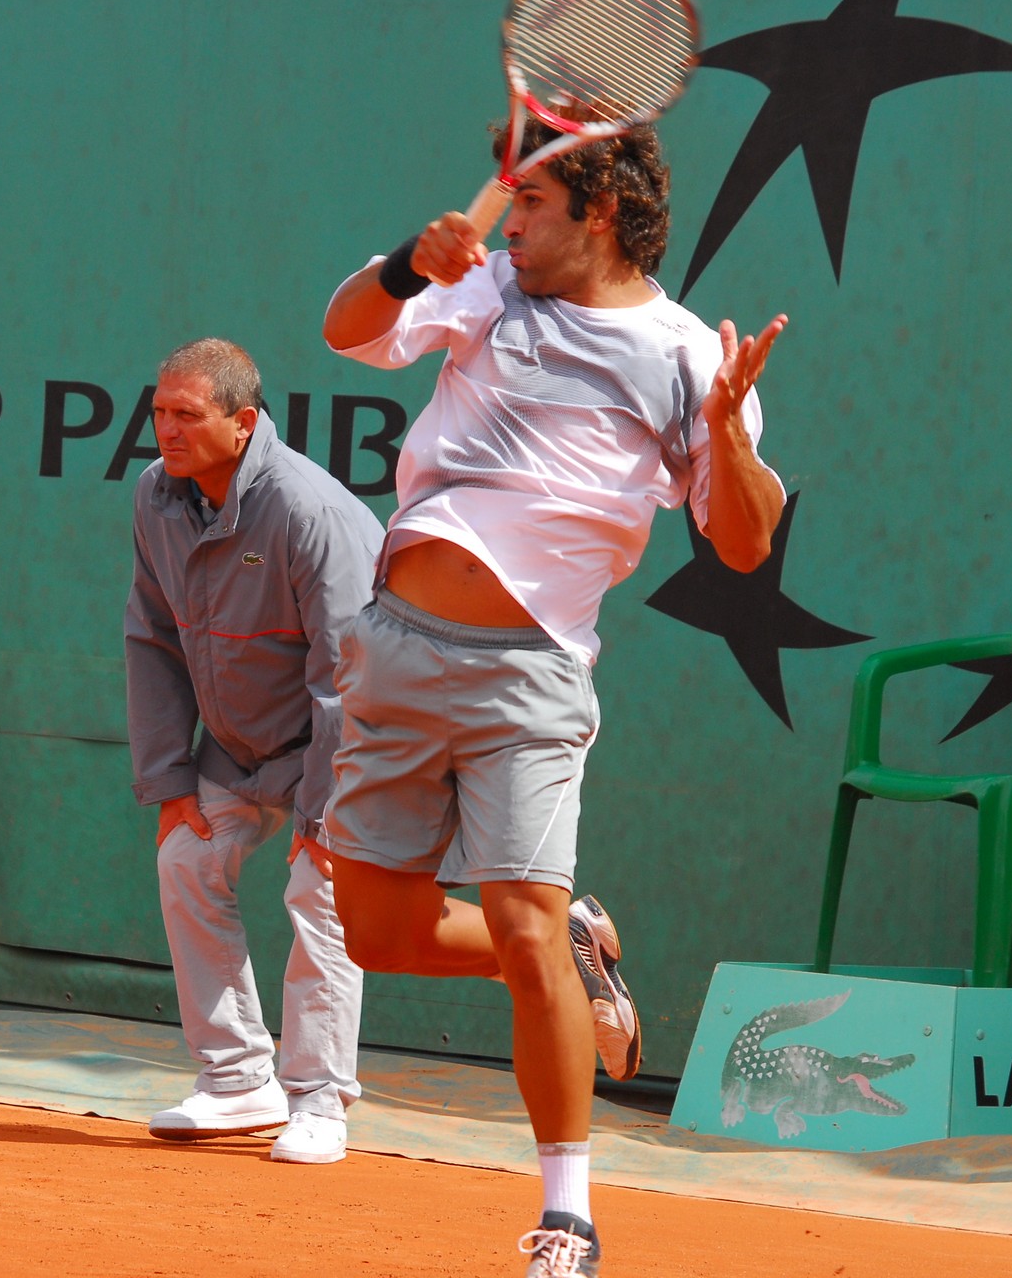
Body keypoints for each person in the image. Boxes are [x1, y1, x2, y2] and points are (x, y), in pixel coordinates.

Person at [321, 120, 786, 1277]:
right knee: (374, 932)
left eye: (528, 202)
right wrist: (405, 263)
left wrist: (725, 434)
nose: (510, 220)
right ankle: (571, 952)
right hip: (394, 647)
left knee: (521, 919)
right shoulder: (480, 288)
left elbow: (741, 542)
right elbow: (347, 331)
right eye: (507, 201)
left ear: (597, 214)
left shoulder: (685, 355)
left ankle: (566, 1216)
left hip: (530, 677)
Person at [123, 338, 380, 1164]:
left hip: (349, 742)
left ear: (242, 422)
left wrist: (324, 807)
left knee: (322, 889)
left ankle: (319, 1101)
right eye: (159, 412)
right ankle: (237, 1080)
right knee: (185, 864)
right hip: (236, 748)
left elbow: (348, 674)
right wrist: (169, 779)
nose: (167, 430)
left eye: (186, 416)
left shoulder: (306, 510)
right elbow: (152, 637)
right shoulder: (156, 499)